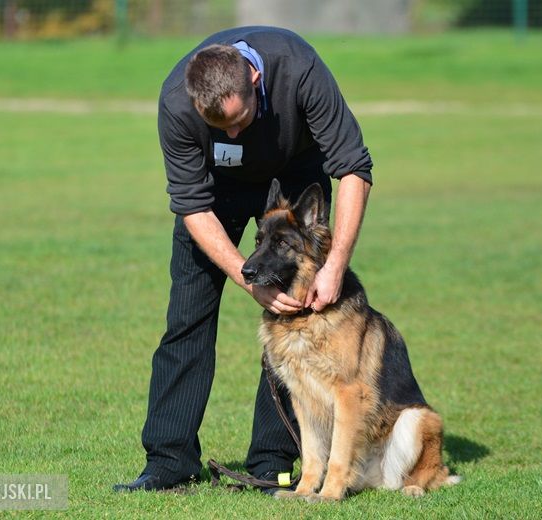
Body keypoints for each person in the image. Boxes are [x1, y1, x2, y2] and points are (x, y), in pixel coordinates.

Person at [113, 26, 373, 493]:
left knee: (300, 319)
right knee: (187, 318)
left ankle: (270, 461)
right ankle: (169, 462)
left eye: (239, 119)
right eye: (220, 126)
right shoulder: (176, 103)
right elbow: (192, 206)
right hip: (217, 192)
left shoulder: (299, 68)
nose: (233, 131)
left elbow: (353, 165)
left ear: (254, 79)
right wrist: (246, 277)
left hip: (294, 177)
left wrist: (334, 265)